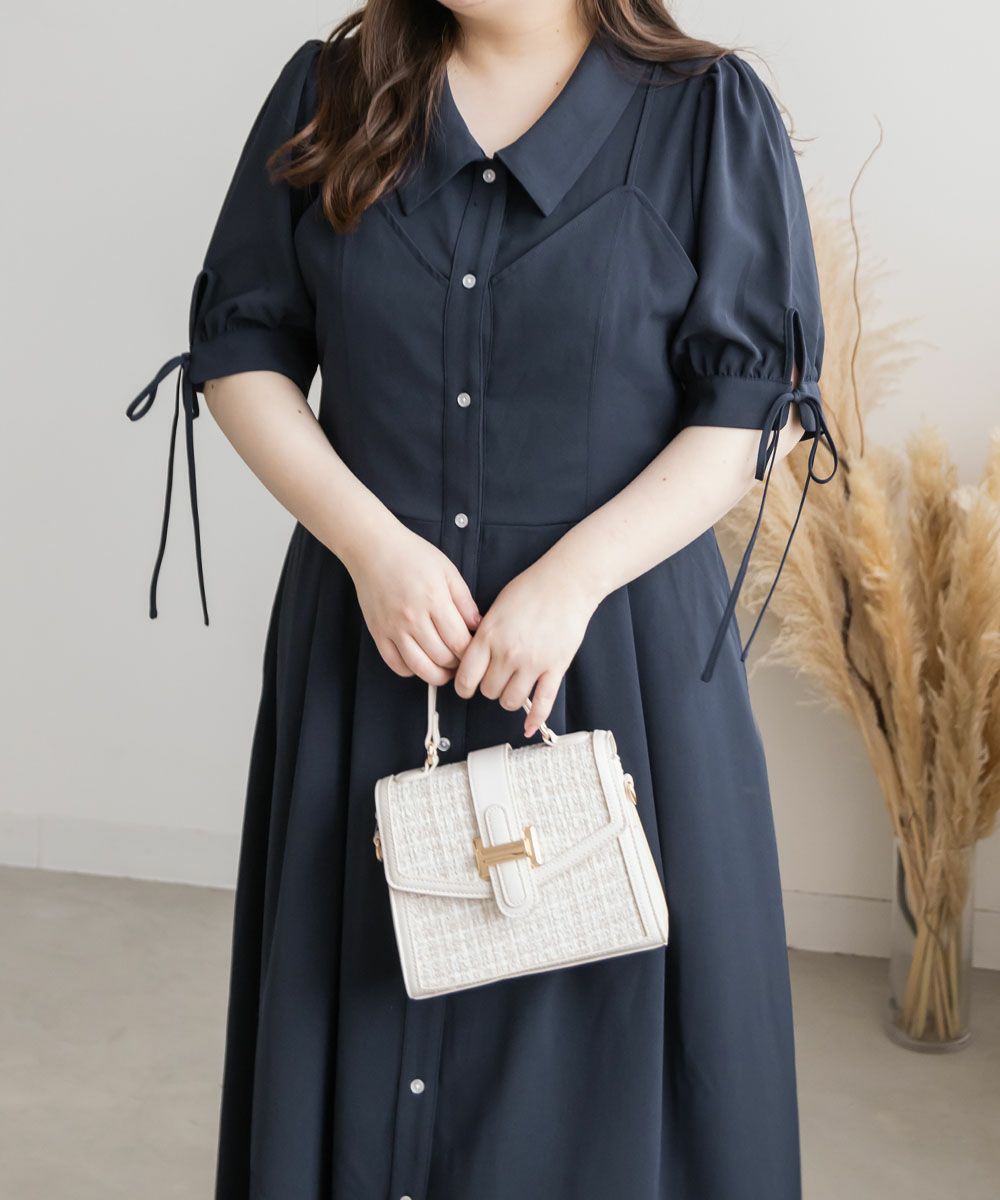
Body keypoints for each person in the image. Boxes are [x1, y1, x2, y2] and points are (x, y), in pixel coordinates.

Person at [126, 2, 839, 1197]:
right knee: (362, 1007)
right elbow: (242, 349)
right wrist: (372, 549)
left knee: (603, 1070)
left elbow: (751, 407)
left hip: (612, 657)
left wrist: (571, 580)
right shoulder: (329, 91)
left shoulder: (708, 115)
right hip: (376, 644)